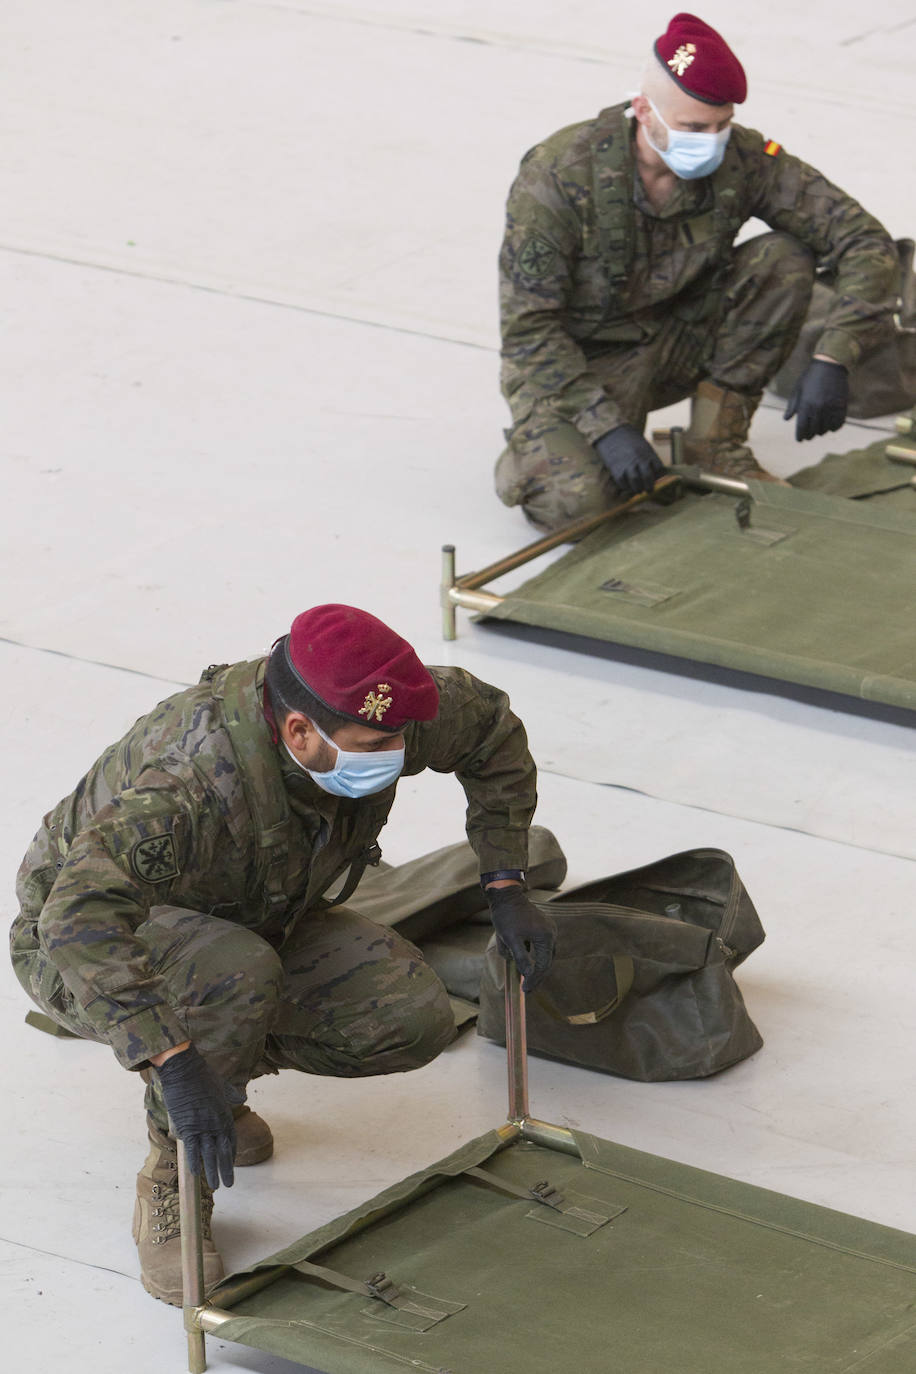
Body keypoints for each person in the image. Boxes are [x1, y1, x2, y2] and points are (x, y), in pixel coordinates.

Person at [11, 604, 555, 1304]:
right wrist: (173, 1062)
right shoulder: (194, 777)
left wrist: (505, 882)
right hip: (79, 942)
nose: (393, 756)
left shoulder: (380, 713)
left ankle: (222, 1071)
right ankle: (174, 1173)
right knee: (232, 972)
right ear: (299, 730)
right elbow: (76, 916)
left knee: (409, 1017)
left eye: (397, 740)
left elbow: (490, 733)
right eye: (372, 745)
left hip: (255, 911)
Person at [495, 11, 899, 531]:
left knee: (784, 258)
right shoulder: (559, 175)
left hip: (679, 338)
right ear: (644, 110)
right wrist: (606, 429)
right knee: (577, 508)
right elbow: (529, 330)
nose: (711, 140)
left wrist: (834, 355)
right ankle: (533, 448)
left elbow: (863, 239)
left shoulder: (744, 159)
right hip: (583, 362)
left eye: (721, 124)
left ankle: (715, 442)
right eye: (693, 127)